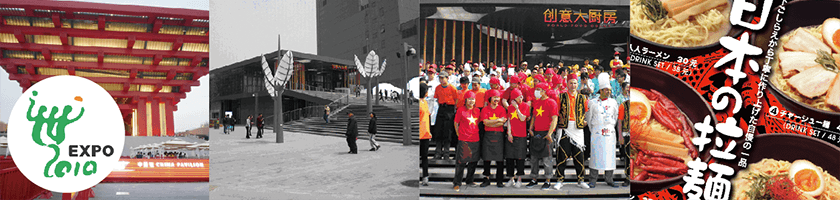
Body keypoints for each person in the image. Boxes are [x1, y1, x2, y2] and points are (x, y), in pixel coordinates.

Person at [553, 74, 590, 190]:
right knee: (562, 155)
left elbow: (586, 112)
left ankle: (581, 179)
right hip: (564, 128)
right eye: (571, 83)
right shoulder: (561, 96)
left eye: (575, 83)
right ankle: (560, 180)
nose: (573, 85)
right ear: (567, 84)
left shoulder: (582, 98)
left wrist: (585, 121)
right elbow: (557, 112)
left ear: (577, 84)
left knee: (579, 156)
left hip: (578, 129)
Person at [585, 73, 620, 188]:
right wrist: (595, 129)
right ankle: (593, 180)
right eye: (605, 90)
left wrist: (609, 126)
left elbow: (615, 116)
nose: (608, 92)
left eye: (609, 90)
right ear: (600, 90)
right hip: (597, 132)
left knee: (610, 157)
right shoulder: (593, 102)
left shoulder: (614, 102)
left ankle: (609, 179)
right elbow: (588, 118)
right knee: (595, 156)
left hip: (610, 132)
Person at [527, 83, 557, 190]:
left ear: (544, 91)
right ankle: (534, 178)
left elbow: (554, 118)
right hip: (536, 132)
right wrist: (530, 128)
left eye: (539, 89)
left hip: (546, 133)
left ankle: (548, 180)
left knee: (547, 158)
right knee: (534, 158)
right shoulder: (537, 102)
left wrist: (550, 133)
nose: (537, 92)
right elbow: (534, 116)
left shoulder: (551, 102)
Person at [452, 90, 481, 192]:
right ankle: (457, 182)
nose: (471, 101)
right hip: (464, 139)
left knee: (473, 161)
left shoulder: (477, 111)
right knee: (461, 162)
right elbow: (456, 123)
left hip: (475, 139)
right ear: (465, 100)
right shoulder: (461, 110)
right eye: (469, 99)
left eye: (473, 99)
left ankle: (469, 180)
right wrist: (458, 134)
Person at [480, 90, 507, 188]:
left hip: (499, 135)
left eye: (497, 97)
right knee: (486, 158)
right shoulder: (485, 109)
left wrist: (494, 122)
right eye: (494, 97)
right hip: (488, 135)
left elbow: (502, 122)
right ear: (490, 98)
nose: (496, 99)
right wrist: (498, 120)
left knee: (500, 160)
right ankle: (486, 178)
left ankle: (499, 180)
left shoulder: (502, 109)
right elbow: (485, 122)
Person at [504, 88, 529, 188]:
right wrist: (509, 133)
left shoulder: (525, 105)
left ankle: (519, 179)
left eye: (521, 96)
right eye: (519, 97)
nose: (521, 98)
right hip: (512, 135)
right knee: (509, 158)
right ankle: (511, 178)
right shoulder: (510, 107)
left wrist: (517, 108)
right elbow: (509, 120)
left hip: (521, 135)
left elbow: (523, 118)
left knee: (520, 158)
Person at [433, 71, 458, 160]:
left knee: (448, 133)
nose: (441, 79)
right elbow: (436, 99)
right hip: (441, 108)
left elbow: (456, 100)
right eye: (440, 78)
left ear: (447, 78)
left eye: (443, 78)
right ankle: (438, 152)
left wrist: (453, 111)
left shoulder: (452, 88)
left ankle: (446, 153)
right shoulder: (437, 88)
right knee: (439, 131)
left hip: (449, 110)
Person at [618, 82, 631, 187]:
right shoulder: (623, 105)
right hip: (627, 133)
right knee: (627, 156)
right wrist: (620, 136)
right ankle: (628, 177)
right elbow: (620, 121)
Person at [419, 83, 432, 186]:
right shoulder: (418, 103)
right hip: (419, 134)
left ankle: (425, 176)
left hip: (426, 134)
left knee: (424, 157)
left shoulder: (425, 102)